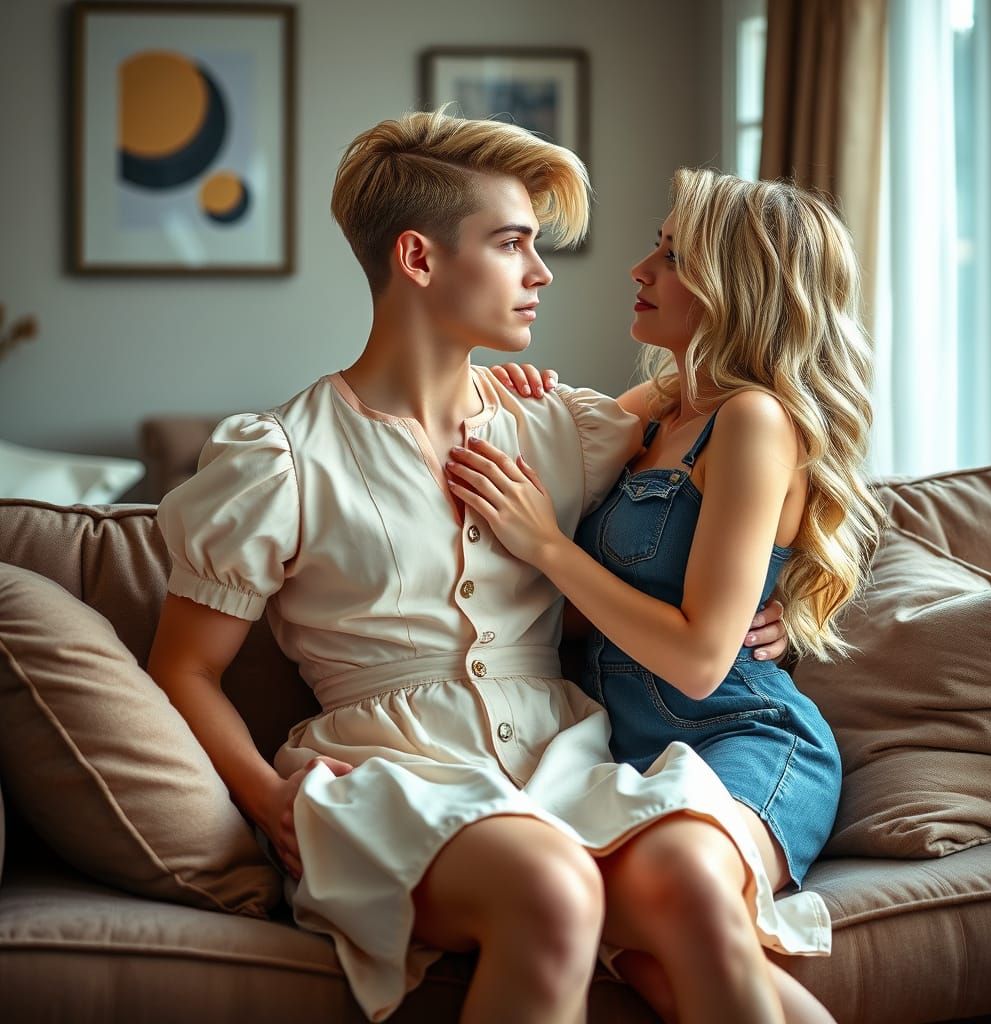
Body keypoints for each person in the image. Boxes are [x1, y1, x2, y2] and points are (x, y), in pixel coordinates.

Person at [148, 111, 832, 1024]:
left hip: (571, 766)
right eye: (512, 245)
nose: (542, 273)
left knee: (678, 911)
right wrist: (267, 793)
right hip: (385, 773)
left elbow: (740, 443)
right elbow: (184, 667)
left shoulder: (566, 426)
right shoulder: (278, 459)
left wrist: (786, 600)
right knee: (554, 889)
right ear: (418, 259)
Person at [450, 167, 886, 1021]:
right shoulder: (655, 407)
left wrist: (548, 546)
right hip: (619, 748)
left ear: (738, 285)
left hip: (737, 735)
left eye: (674, 256)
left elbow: (698, 662)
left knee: (680, 879)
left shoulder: (752, 418)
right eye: (657, 247)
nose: (639, 269)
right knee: (649, 960)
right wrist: (511, 397)